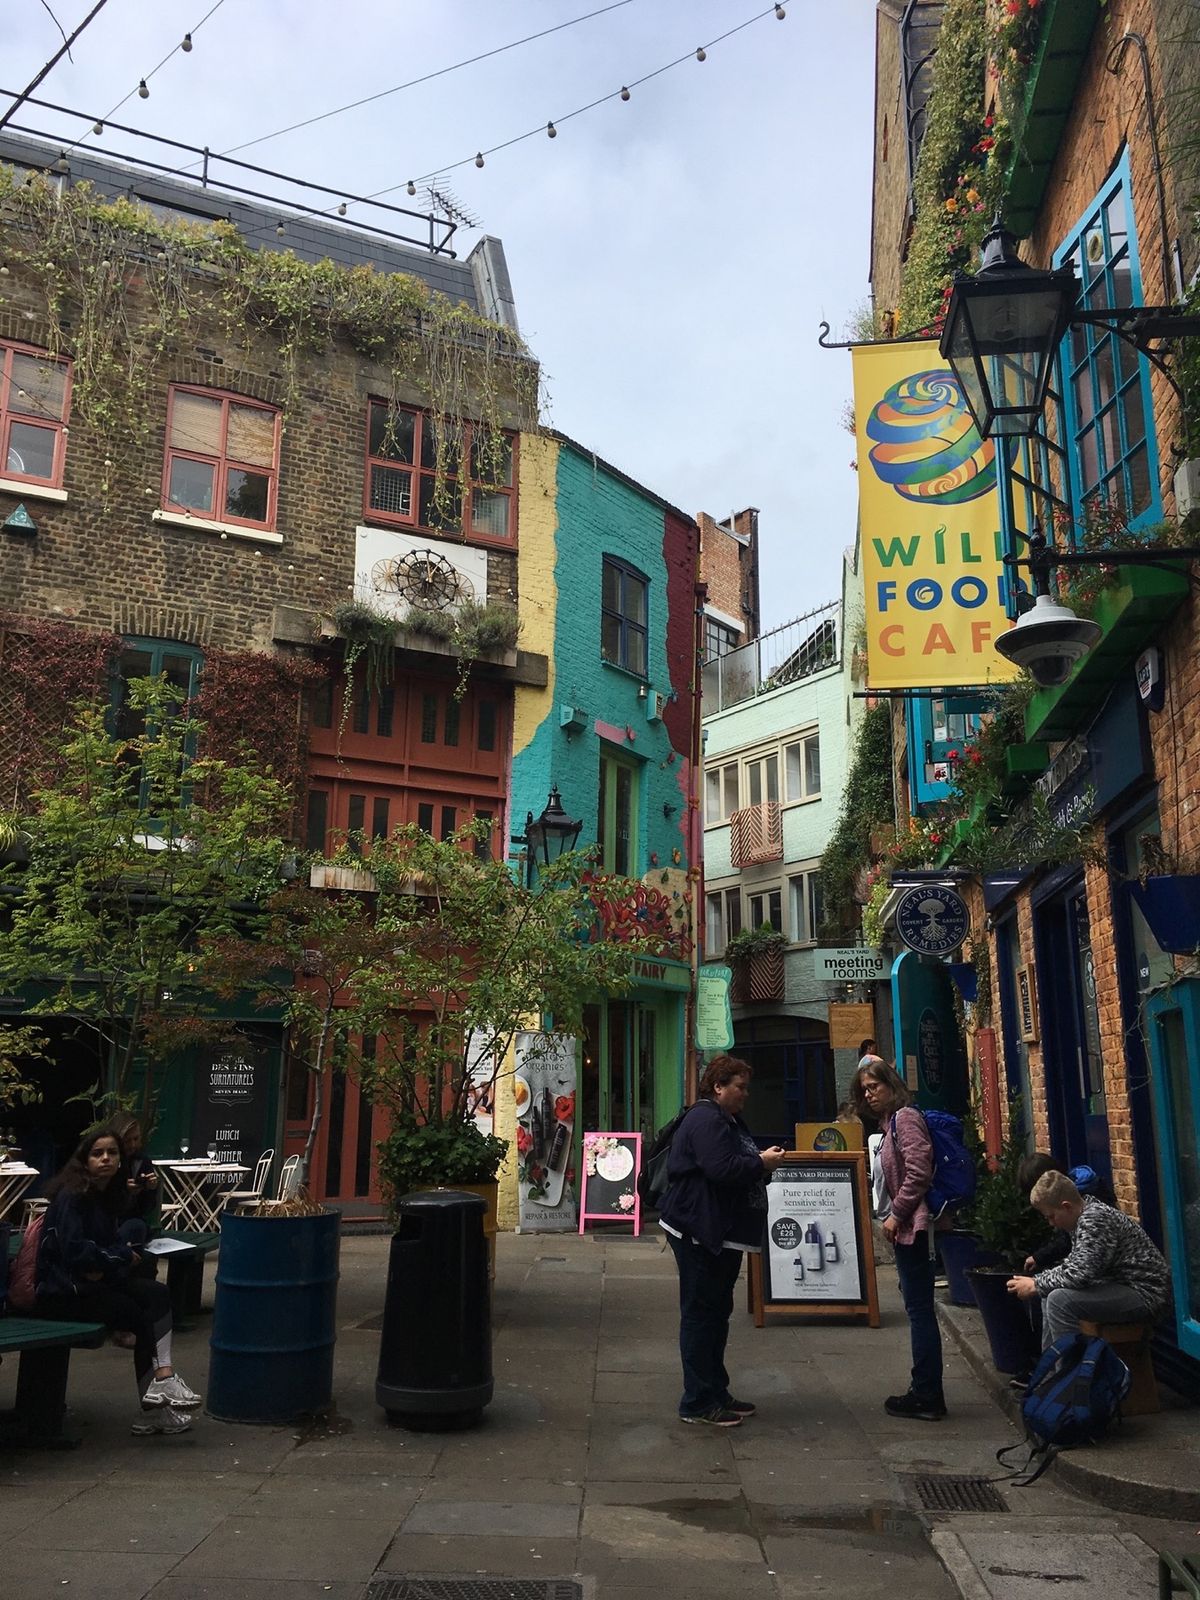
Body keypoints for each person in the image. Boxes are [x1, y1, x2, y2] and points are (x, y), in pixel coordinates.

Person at [34, 1127, 202, 1435]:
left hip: (94, 1282)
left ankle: (162, 1381)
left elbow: (117, 1241)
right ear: (84, 1160)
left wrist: (111, 1257)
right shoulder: (73, 1196)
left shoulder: (106, 1195)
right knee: (141, 1318)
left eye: (112, 1153)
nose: (106, 1159)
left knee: (157, 1294)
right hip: (63, 1291)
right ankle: (154, 1407)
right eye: (98, 1153)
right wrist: (117, 1257)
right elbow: (76, 1252)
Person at [658, 1055, 786, 1427]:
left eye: (746, 1087)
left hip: (719, 1233)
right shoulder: (705, 1118)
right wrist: (761, 1163)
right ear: (718, 1086)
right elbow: (721, 1168)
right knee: (701, 1315)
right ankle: (697, 1402)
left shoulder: (724, 1119)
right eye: (739, 1087)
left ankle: (715, 1390)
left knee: (716, 1313)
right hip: (699, 1231)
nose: (745, 1094)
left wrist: (760, 1164)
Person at [856, 1058, 945, 1421]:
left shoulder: (905, 1118)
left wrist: (897, 1214)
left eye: (874, 1087)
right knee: (917, 1308)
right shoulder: (889, 1122)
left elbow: (919, 1171)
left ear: (892, 1085)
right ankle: (924, 1390)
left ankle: (927, 1394)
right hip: (908, 1229)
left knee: (920, 1311)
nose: (869, 1094)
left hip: (915, 1228)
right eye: (864, 1089)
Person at [1007, 1170, 1170, 1346]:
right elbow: (1075, 1265)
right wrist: (1039, 1282)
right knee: (1050, 1294)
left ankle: (1071, 1371)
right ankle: (1052, 1368)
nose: (1051, 1223)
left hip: (1145, 1293)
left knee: (1059, 1301)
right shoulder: (1083, 1216)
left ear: (1066, 1206)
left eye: (1051, 1216)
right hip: (1121, 1285)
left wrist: (1036, 1284)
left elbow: (1080, 1274)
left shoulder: (1094, 1219)